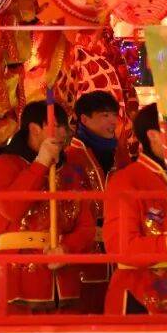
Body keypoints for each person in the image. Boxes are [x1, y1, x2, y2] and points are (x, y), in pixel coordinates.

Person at [0, 101, 95, 314]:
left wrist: (66, 248)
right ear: (35, 129)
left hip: (63, 278)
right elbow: (12, 209)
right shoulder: (4, 165)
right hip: (17, 273)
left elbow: (86, 226)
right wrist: (41, 163)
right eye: (57, 126)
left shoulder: (73, 172)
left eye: (65, 126)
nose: (65, 132)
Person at [103, 103, 167, 314]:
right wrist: (165, 244)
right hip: (139, 300)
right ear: (153, 135)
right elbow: (120, 248)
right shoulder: (127, 181)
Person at [66, 90, 130, 311]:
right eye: (105, 115)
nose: (113, 121)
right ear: (84, 119)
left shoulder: (121, 155)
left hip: (117, 252)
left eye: (114, 115)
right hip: (83, 255)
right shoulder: (69, 157)